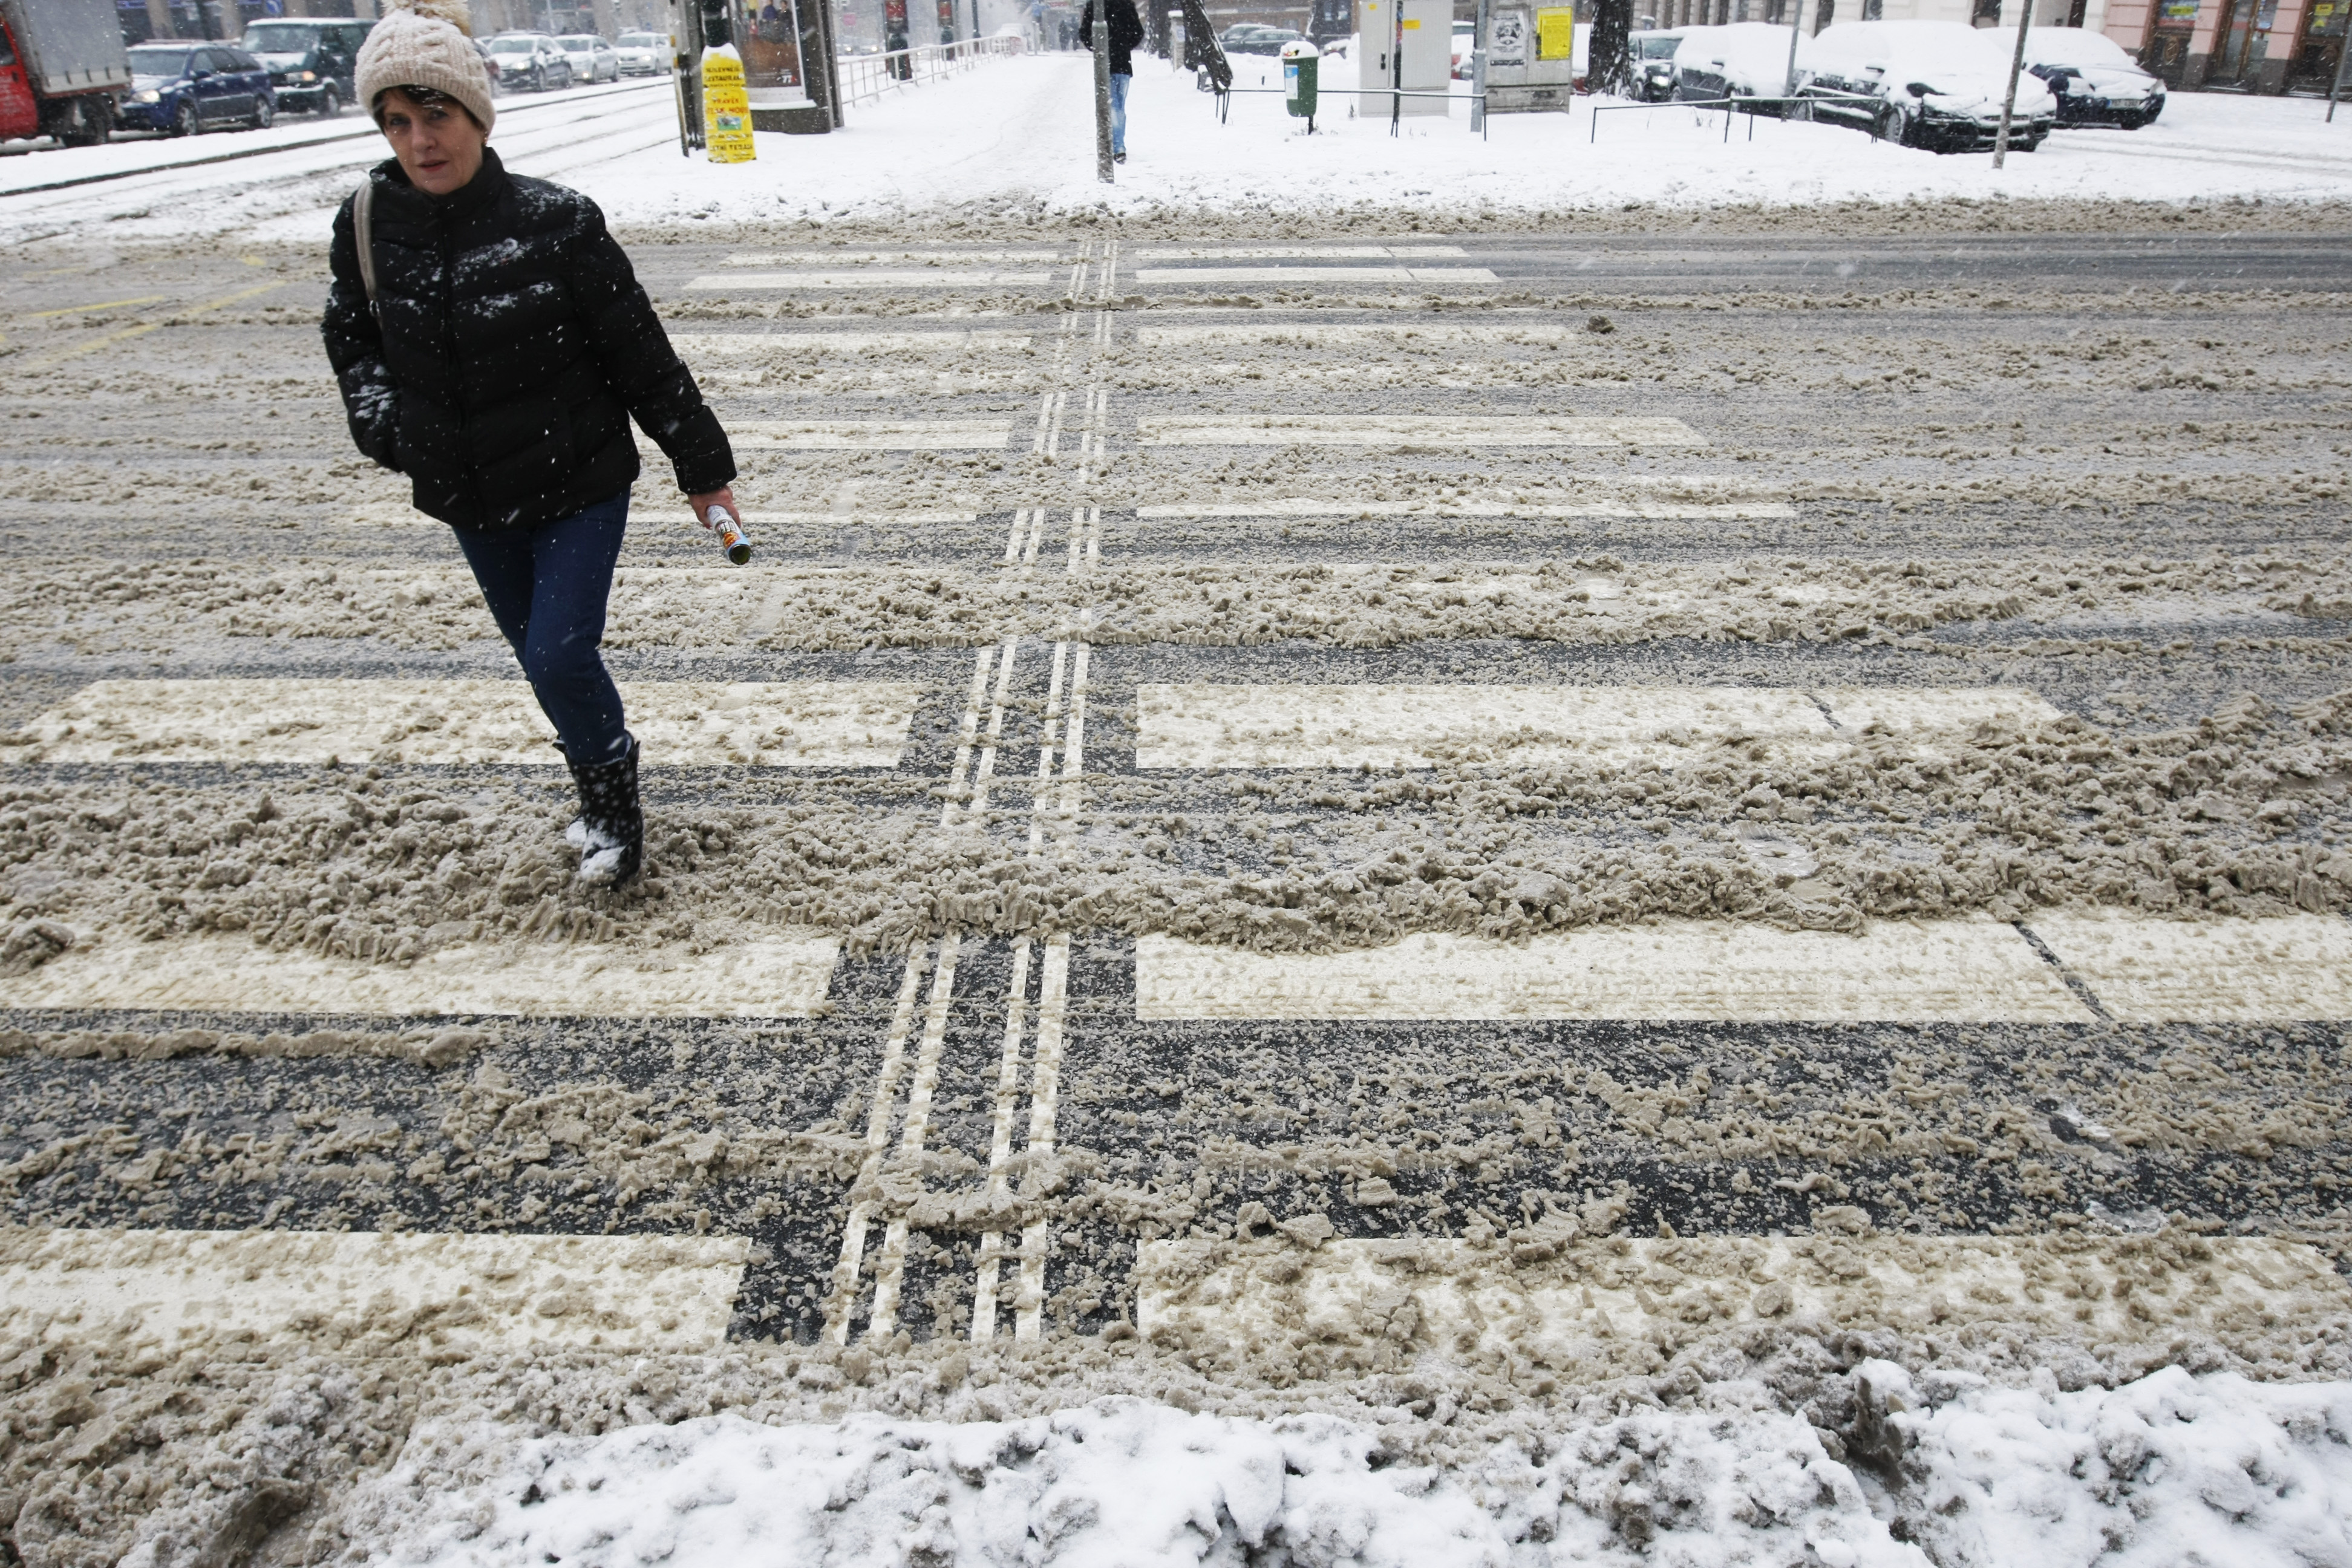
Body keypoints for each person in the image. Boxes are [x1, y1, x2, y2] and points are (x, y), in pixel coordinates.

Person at [320, 0, 737, 889]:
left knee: (557, 651)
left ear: (476, 114)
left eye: (437, 114)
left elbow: (640, 353)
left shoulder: (557, 222)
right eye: (397, 121)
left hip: (579, 480)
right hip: (470, 492)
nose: (420, 141)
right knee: (538, 661)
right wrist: (389, 429)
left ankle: (617, 823)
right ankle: (596, 791)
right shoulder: (367, 223)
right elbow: (353, 340)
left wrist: (702, 469)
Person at [1078, 0, 1144, 162]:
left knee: (1112, 106)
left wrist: (1099, 46)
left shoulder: (1095, 5)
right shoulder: (1126, 4)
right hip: (1123, 63)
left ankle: (1116, 145)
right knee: (1118, 106)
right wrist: (1124, 45)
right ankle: (1118, 145)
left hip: (1104, 62)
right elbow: (1138, 32)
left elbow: (1085, 33)